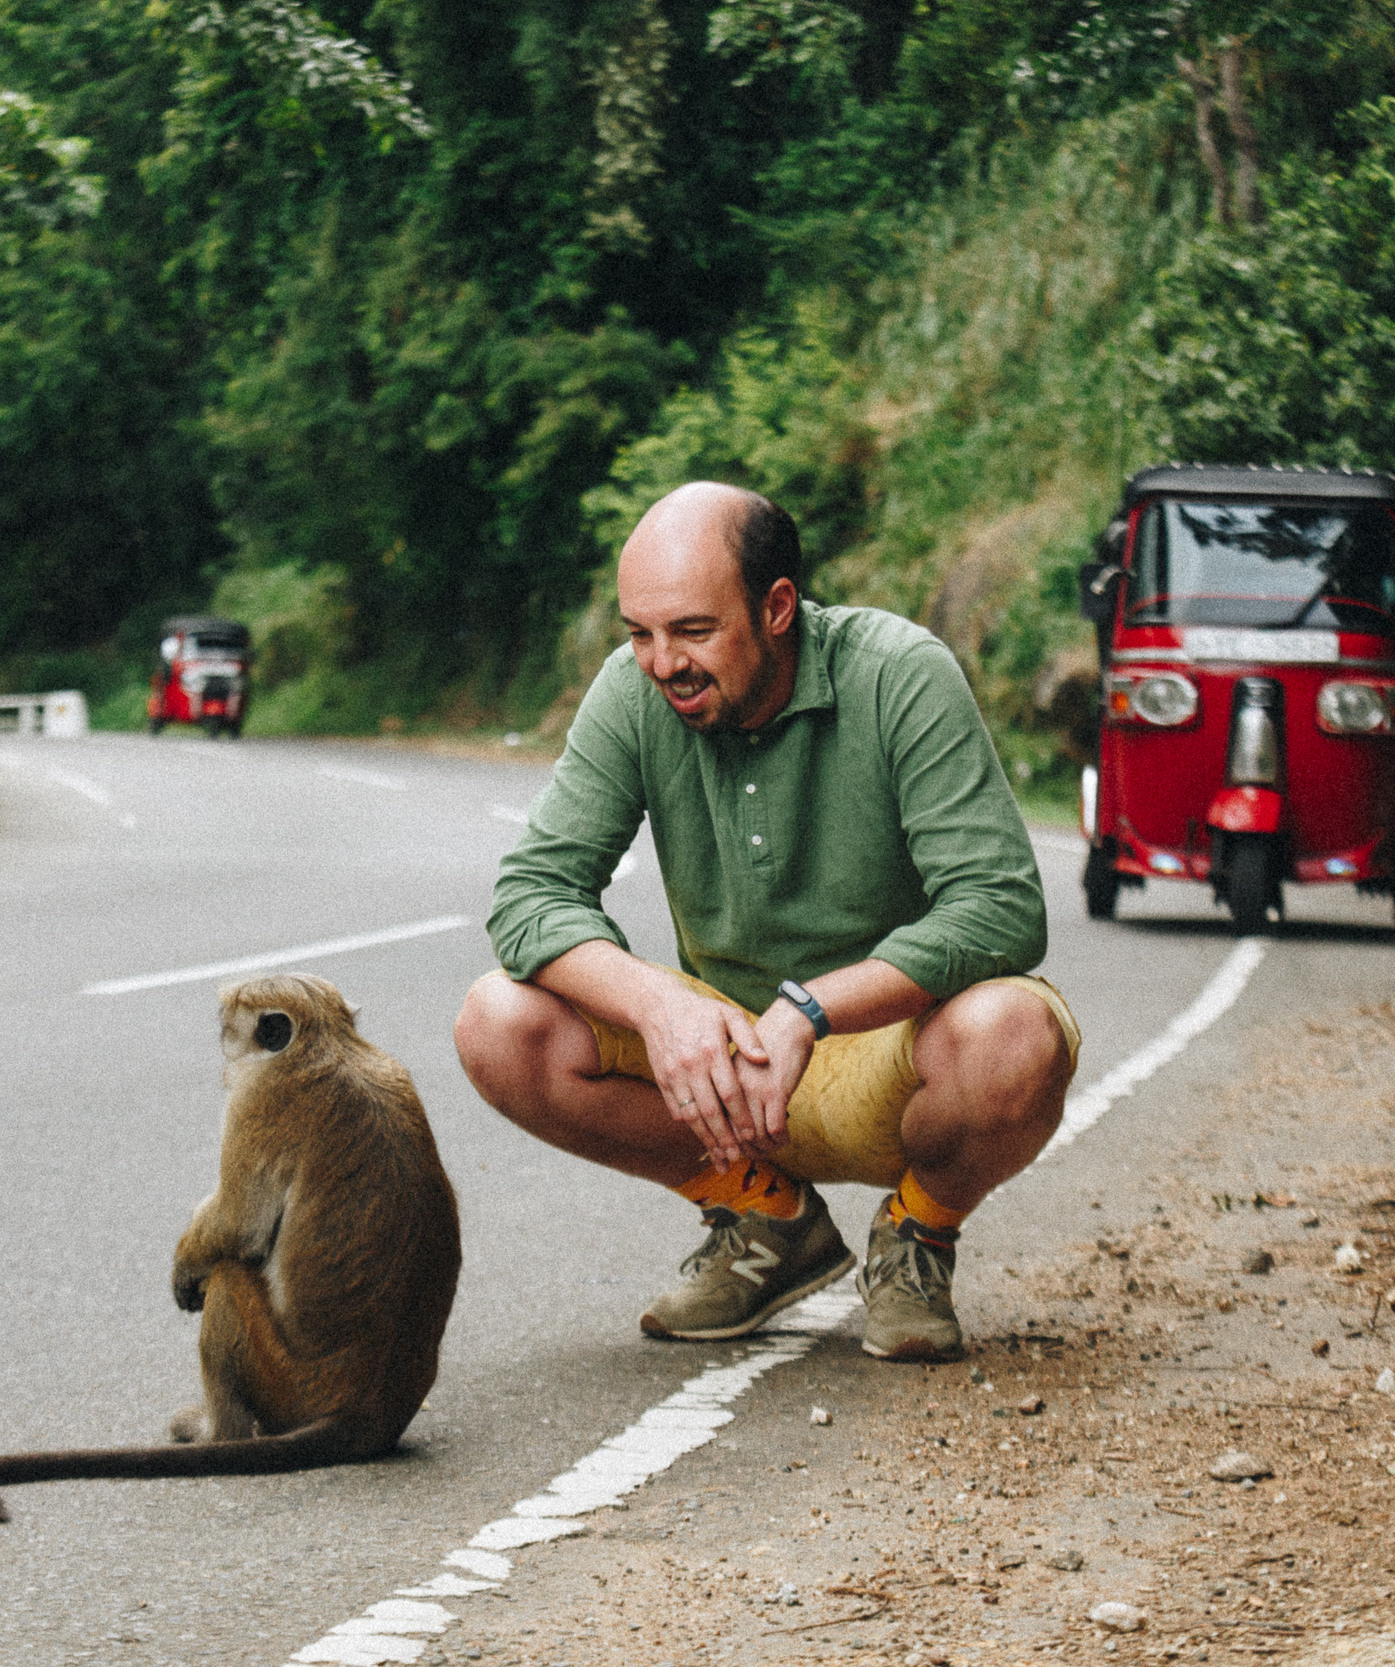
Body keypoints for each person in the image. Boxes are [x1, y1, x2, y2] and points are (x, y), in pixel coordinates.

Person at [454, 482, 1079, 1360]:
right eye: (640, 633)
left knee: (1014, 1033)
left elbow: (1000, 904)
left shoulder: (899, 672)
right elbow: (531, 893)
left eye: (692, 631)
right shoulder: (633, 693)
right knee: (498, 1021)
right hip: (724, 1072)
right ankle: (766, 1219)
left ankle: (917, 1234)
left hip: (890, 1052)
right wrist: (660, 1007)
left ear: (777, 607)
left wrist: (809, 1009)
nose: (662, 662)